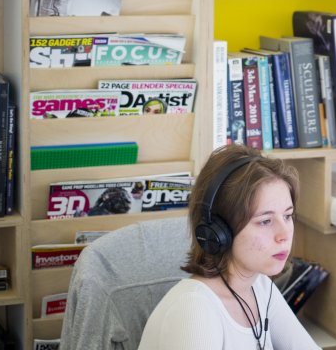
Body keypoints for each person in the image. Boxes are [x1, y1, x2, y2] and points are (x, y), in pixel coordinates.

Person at [137, 144, 321, 350]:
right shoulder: (194, 310)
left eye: (287, 216)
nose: (285, 234)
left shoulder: (259, 288)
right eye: (265, 221)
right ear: (218, 231)